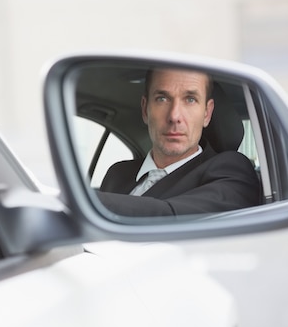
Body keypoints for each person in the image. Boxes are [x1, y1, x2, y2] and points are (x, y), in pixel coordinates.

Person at [96, 67, 260, 216]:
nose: (174, 116)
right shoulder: (117, 173)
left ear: (207, 114)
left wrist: (82, 200)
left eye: (190, 100)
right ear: (146, 110)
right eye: (162, 99)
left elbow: (171, 215)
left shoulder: (231, 169)